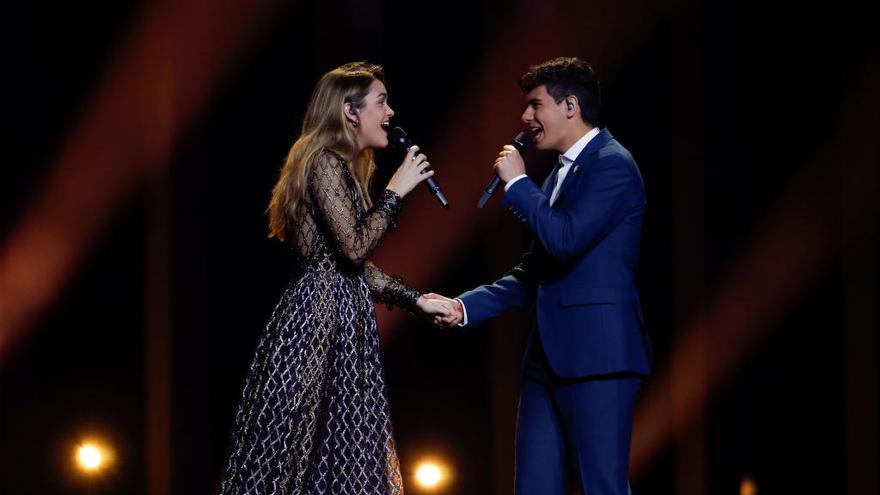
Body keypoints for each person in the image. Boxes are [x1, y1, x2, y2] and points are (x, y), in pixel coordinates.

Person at [218, 62, 451, 494]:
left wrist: (414, 299)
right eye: (381, 102)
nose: (391, 113)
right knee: (297, 454)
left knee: (343, 461)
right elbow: (353, 248)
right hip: (316, 325)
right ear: (349, 110)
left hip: (342, 323)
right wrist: (396, 193)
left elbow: (352, 266)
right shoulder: (323, 161)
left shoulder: (344, 168)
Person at [427, 57, 652, 494]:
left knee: (600, 485)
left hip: (599, 359)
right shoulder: (559, 174)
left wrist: (517, 184)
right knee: (533, 486)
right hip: (545, 359)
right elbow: (536, 271)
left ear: (570, 106)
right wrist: (463, 307)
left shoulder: (613, 164)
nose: (526, 118)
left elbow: (565, 239)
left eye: (535, 105)